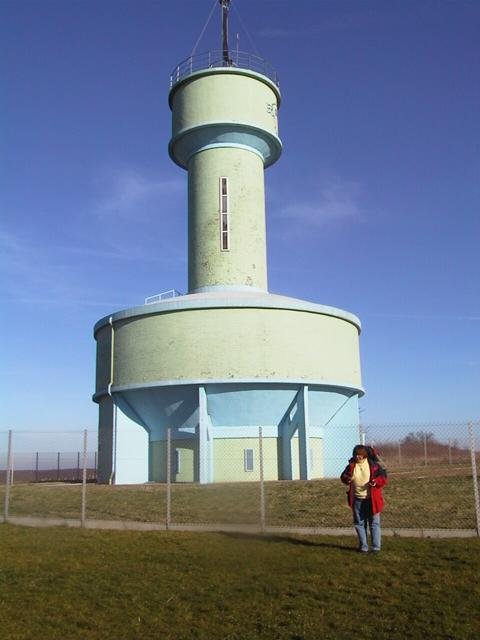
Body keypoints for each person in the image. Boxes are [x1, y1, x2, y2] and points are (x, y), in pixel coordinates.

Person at [340, 444, 387, 553]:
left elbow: (383, 479)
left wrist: (375, 482)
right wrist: (348, 479)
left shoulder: (374, 466)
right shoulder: (351, 466)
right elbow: (343, 477)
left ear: (365, 455)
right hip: (357, 500)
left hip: (372, 500)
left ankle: (376, 548)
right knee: (359, 524)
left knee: (374, 524)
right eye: (356, 454)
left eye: (360, 454)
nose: (358, 457)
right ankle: (363, 547)